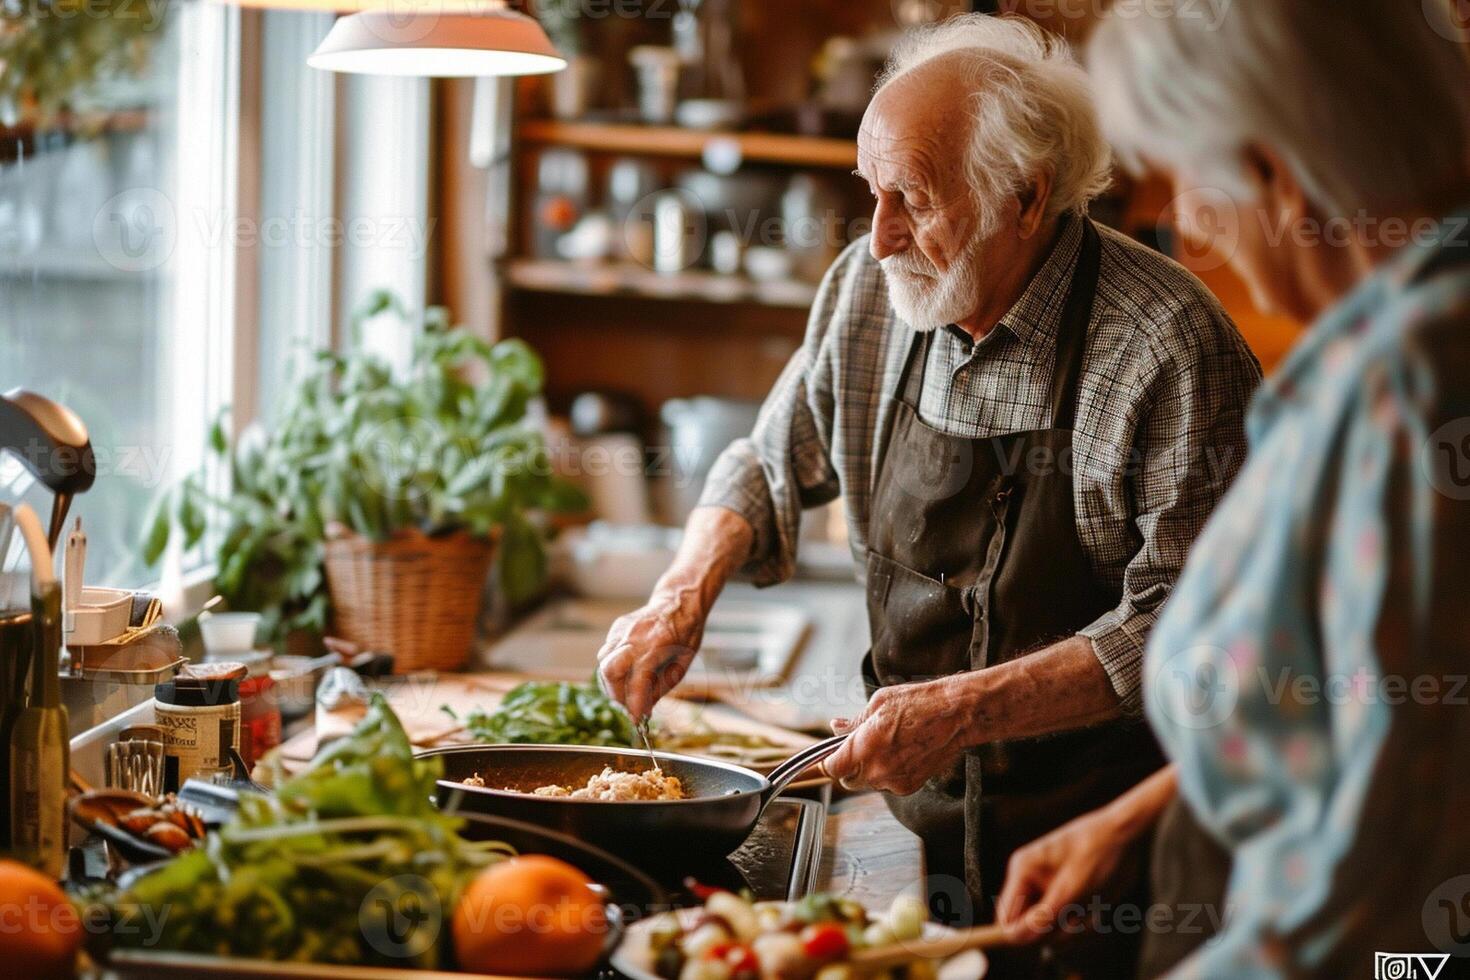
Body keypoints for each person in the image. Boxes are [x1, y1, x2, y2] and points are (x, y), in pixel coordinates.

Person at [597, 14, 1261, 976]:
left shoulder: (1165, 348)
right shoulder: (873, 294)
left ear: (1026, 198)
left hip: (1104, 858)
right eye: (871, 192)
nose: (877, 238)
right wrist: (682, 592)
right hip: (905, 833)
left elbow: (1191, 632)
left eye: (911, 197)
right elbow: (768, 458)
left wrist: (966, 710)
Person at [995, 1, 1470, 976]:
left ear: (1274, 173)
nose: (1184, 219)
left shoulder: (1413, 383)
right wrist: (1137, 817)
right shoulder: (1391, 344)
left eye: (1187, 180)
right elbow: (1370, 715)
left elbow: (1387, 871)